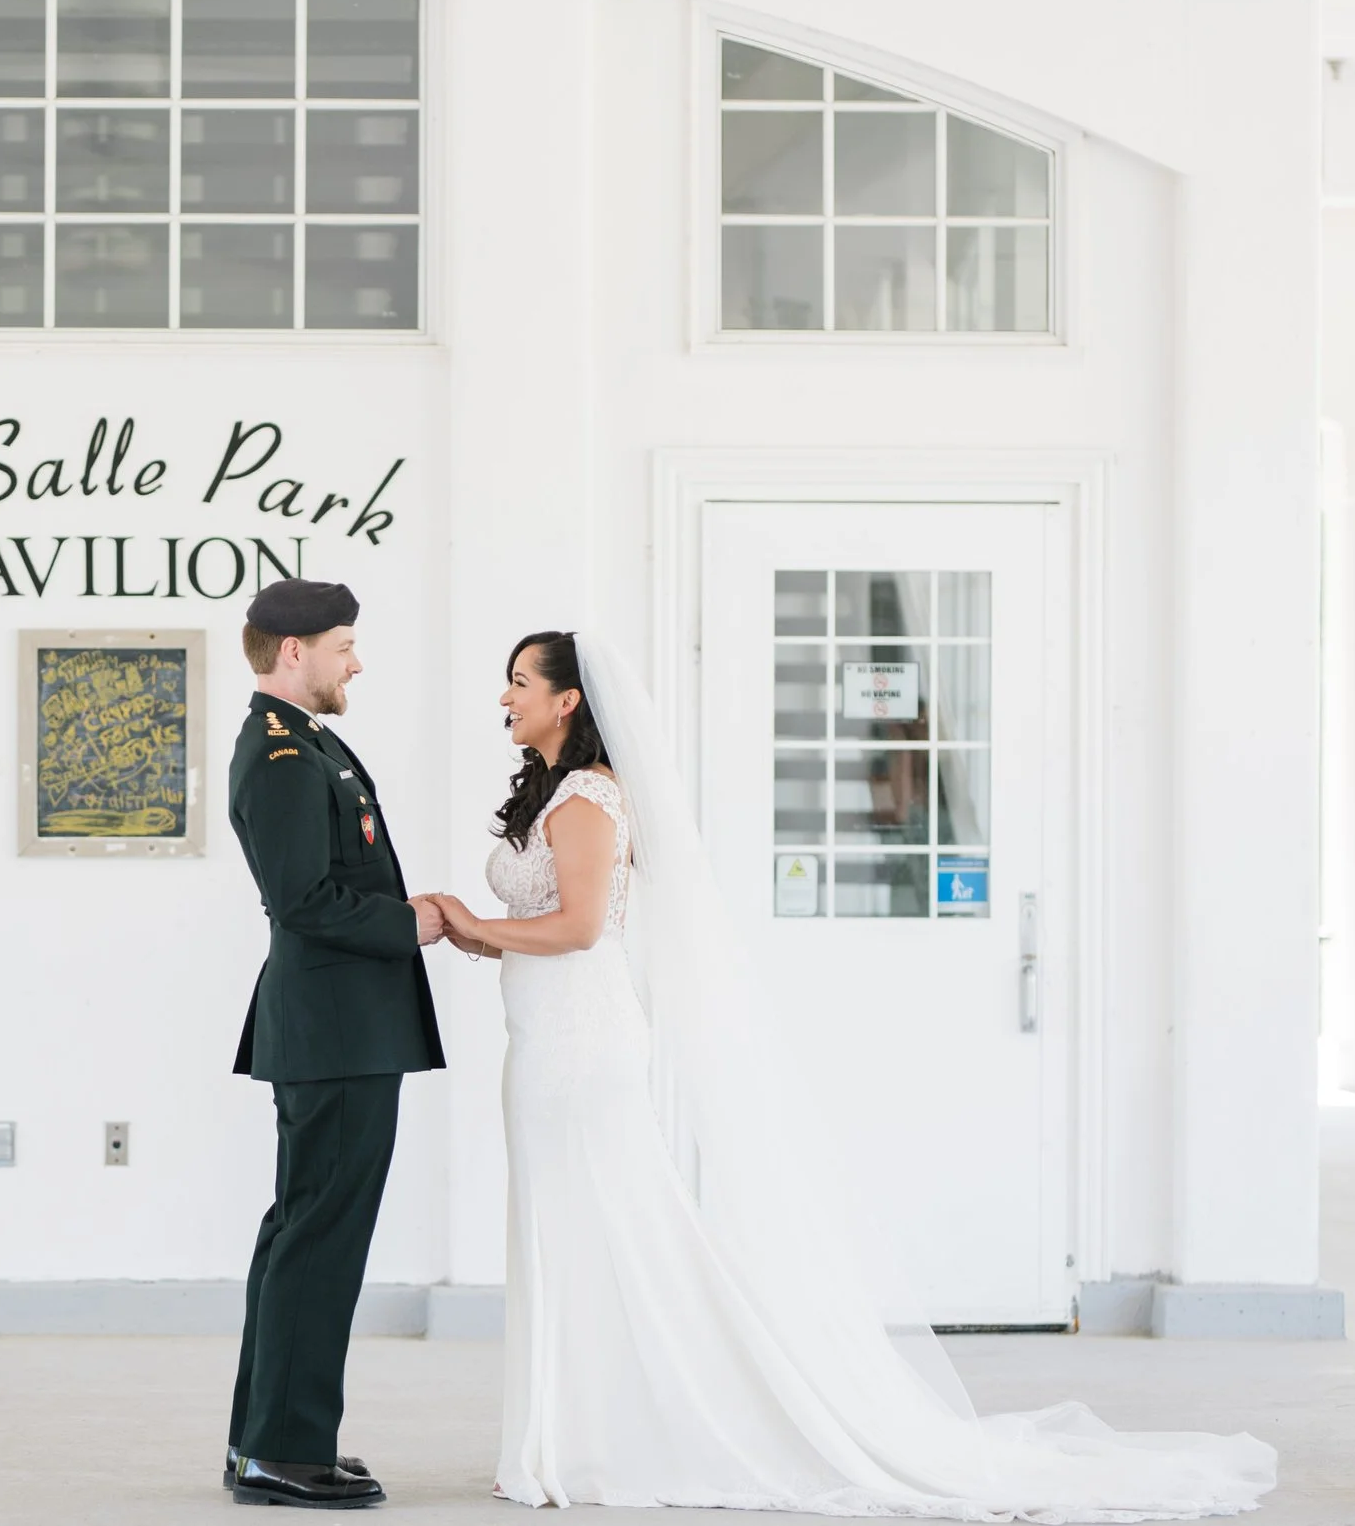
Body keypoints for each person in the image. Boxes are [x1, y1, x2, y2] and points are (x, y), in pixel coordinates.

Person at [429, 628, 1278, 1519]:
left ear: (567, 699)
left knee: (606, 1232)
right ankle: (565, 1434)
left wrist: (472, 923)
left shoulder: (587, 797)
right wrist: (480, 936)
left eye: (519, 681)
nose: (505, 696)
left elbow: (578, 927)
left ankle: (597, 1437)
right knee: (566, 1232)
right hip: (547, 1037)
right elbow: (553, 925)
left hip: (580, 1046)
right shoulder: (557, 792)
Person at [223, 578, 447, 1510]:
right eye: (344, 645)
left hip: (337, 1025)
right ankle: (285, 1450)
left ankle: (265, 1440)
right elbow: (303, 900)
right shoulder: (281, 753)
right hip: (337, 1029)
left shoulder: (305, 739)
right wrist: (410, 922)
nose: (356, 662)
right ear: (293, 651)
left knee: (302, 1231)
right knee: (319, 1238)